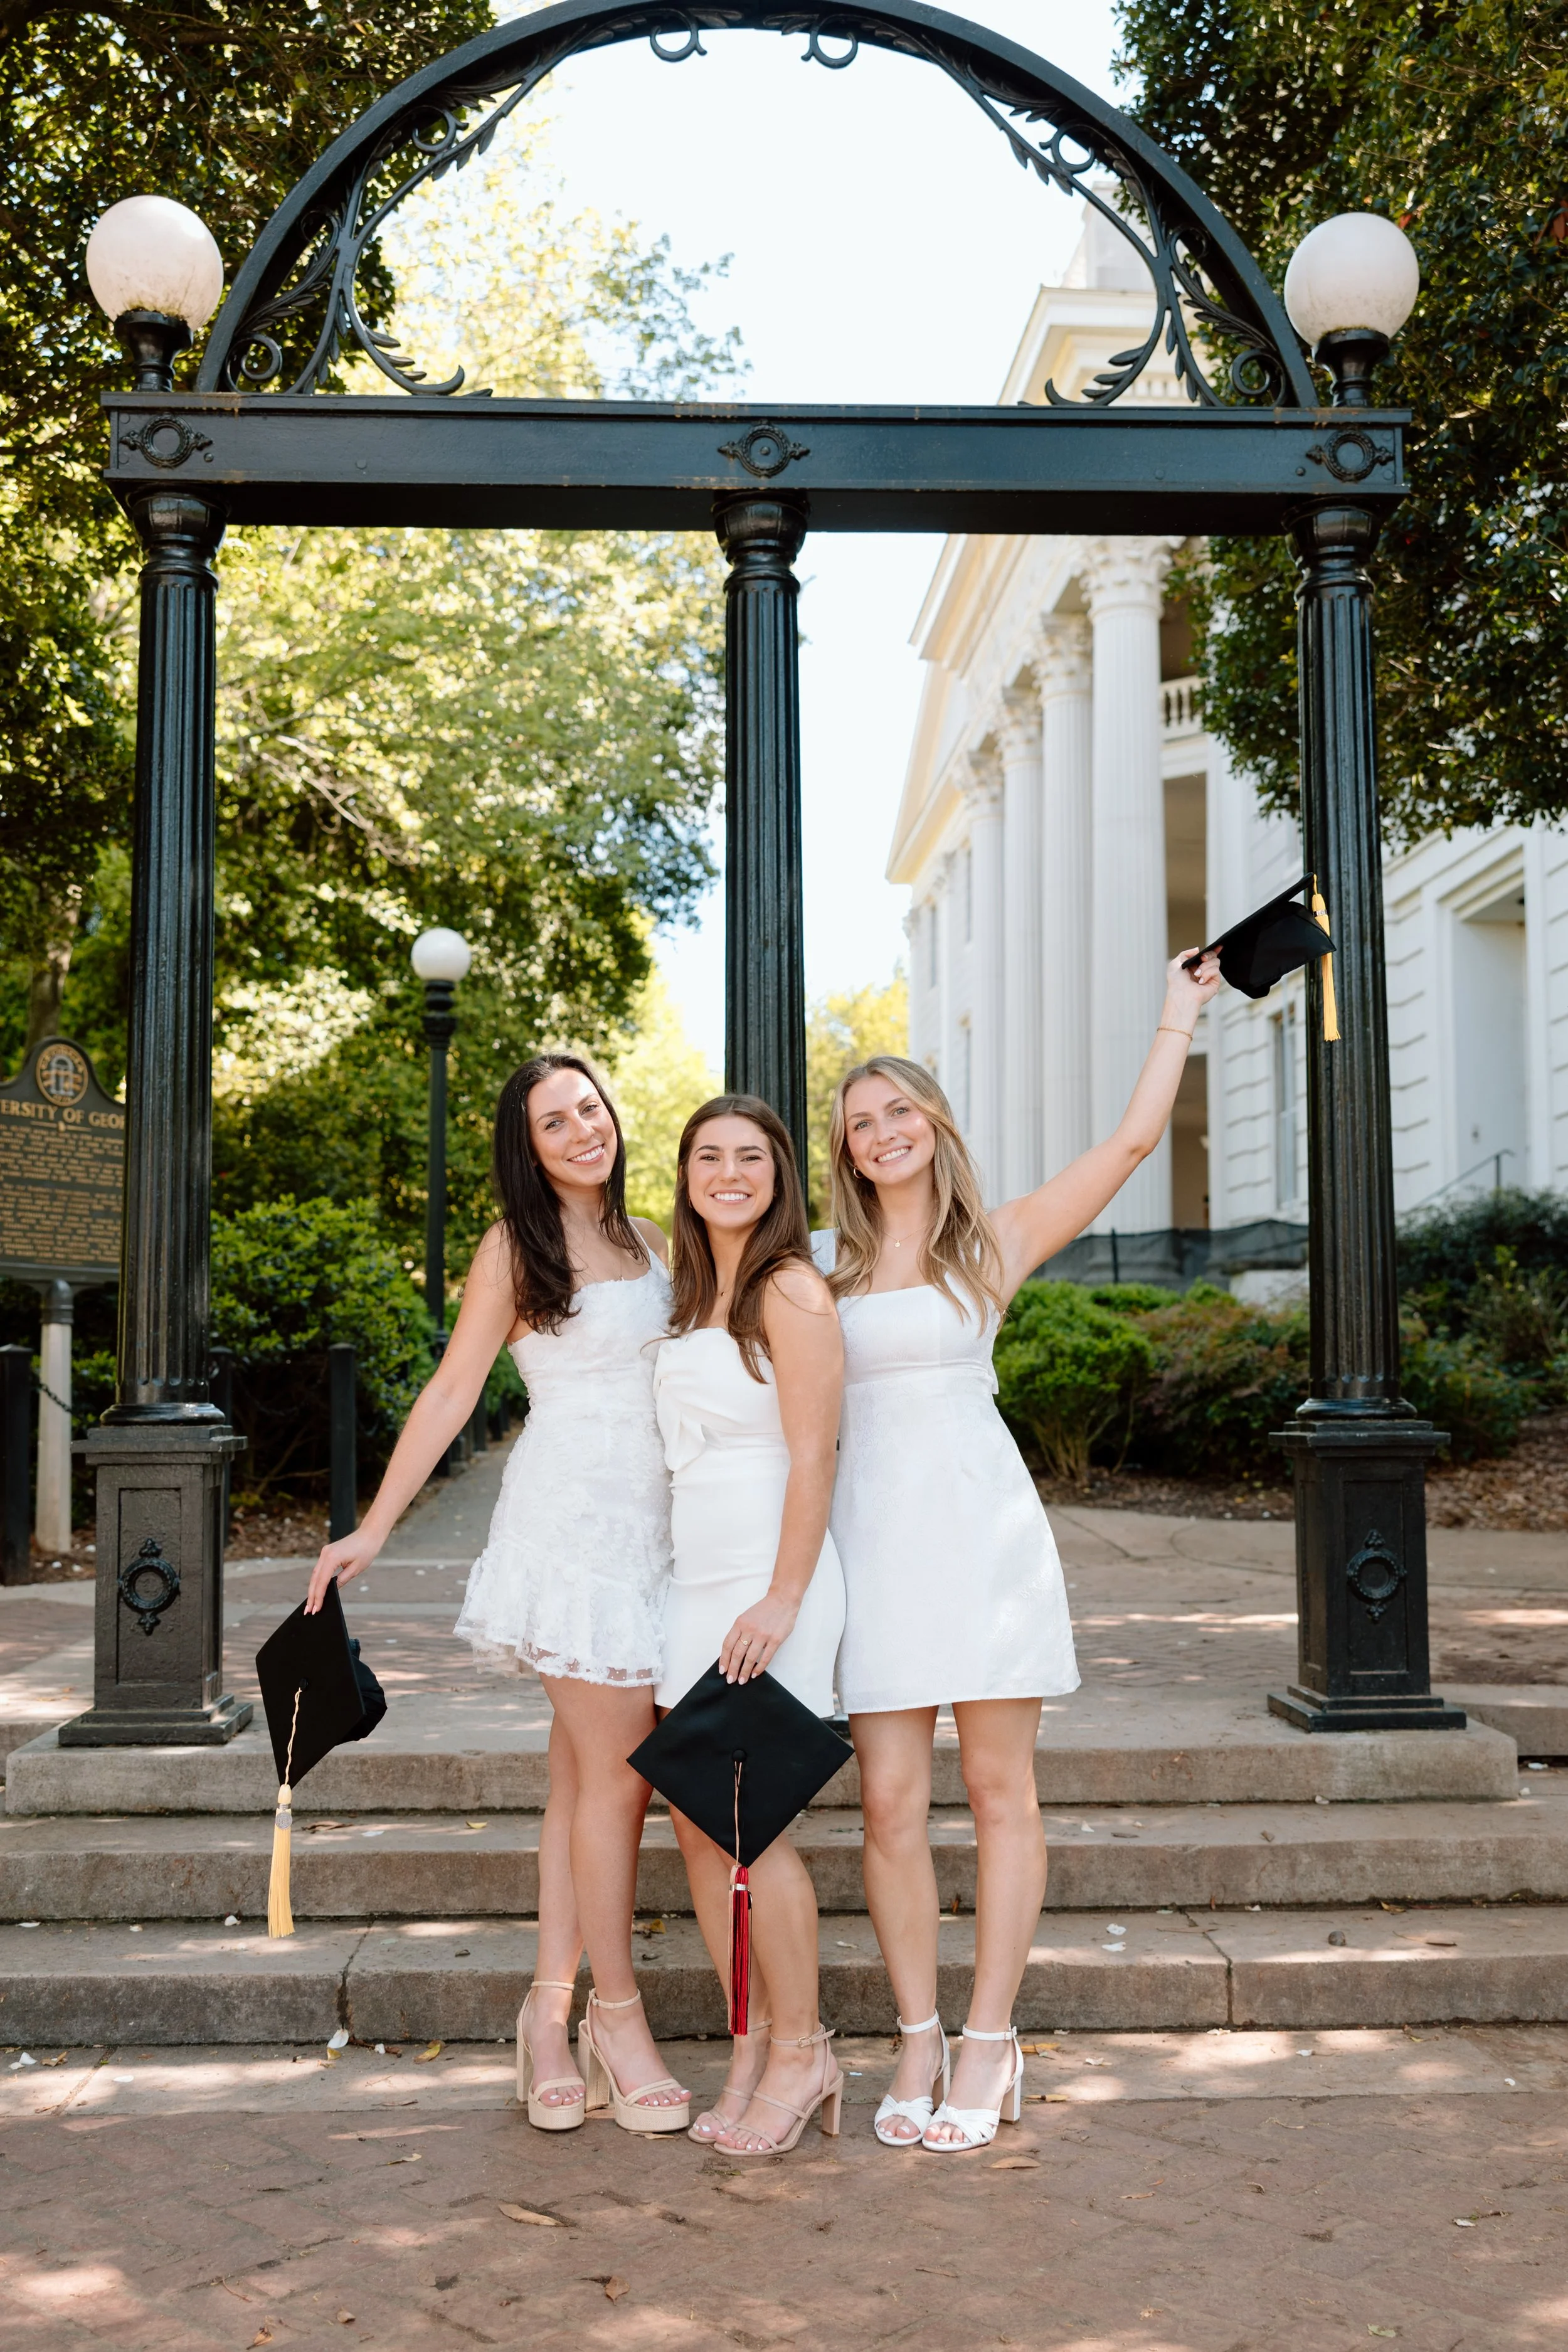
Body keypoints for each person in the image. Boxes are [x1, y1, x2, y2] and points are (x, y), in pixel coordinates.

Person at [822, 950, 1222, 2153]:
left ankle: (992, 2040)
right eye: (859, 1123)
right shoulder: (820, 1267)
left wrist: (1177, 1011)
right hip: (871, 1550)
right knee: (889, 1804)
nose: (882, 1132)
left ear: (934, 1124)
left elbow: (1130, 1147)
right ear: (843, 1153)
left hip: (982, 1537)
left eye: (899, 1111)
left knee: (999, 1792)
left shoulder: (991, 1244)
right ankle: (918, 2032)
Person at [306, 1052, 688, 2135]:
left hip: (660, 1535)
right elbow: (453, 1387)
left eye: (590, 1108)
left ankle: (543, 2012)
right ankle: (617, 2018)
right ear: (526, 1147)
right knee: (621, 1781)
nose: (581, 1130)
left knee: (585, 1782)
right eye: (553, 1121)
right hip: (571, 1531)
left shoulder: (655, 1237)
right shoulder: (514, 1247)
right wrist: (374, 1527)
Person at [653, 1096, 847, 2157]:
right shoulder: (689, 1292)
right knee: (696, 1824)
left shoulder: (793, 1288)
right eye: (709, 1155)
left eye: (751, 1157)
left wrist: (780, 1596)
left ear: (780, 1175)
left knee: (751, 1825)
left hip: (773, 1584)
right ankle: (751, 2043)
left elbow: (814, 1454)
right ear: (684, 1173)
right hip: (690, 1586)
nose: (730, 1172)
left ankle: (806, 2047)